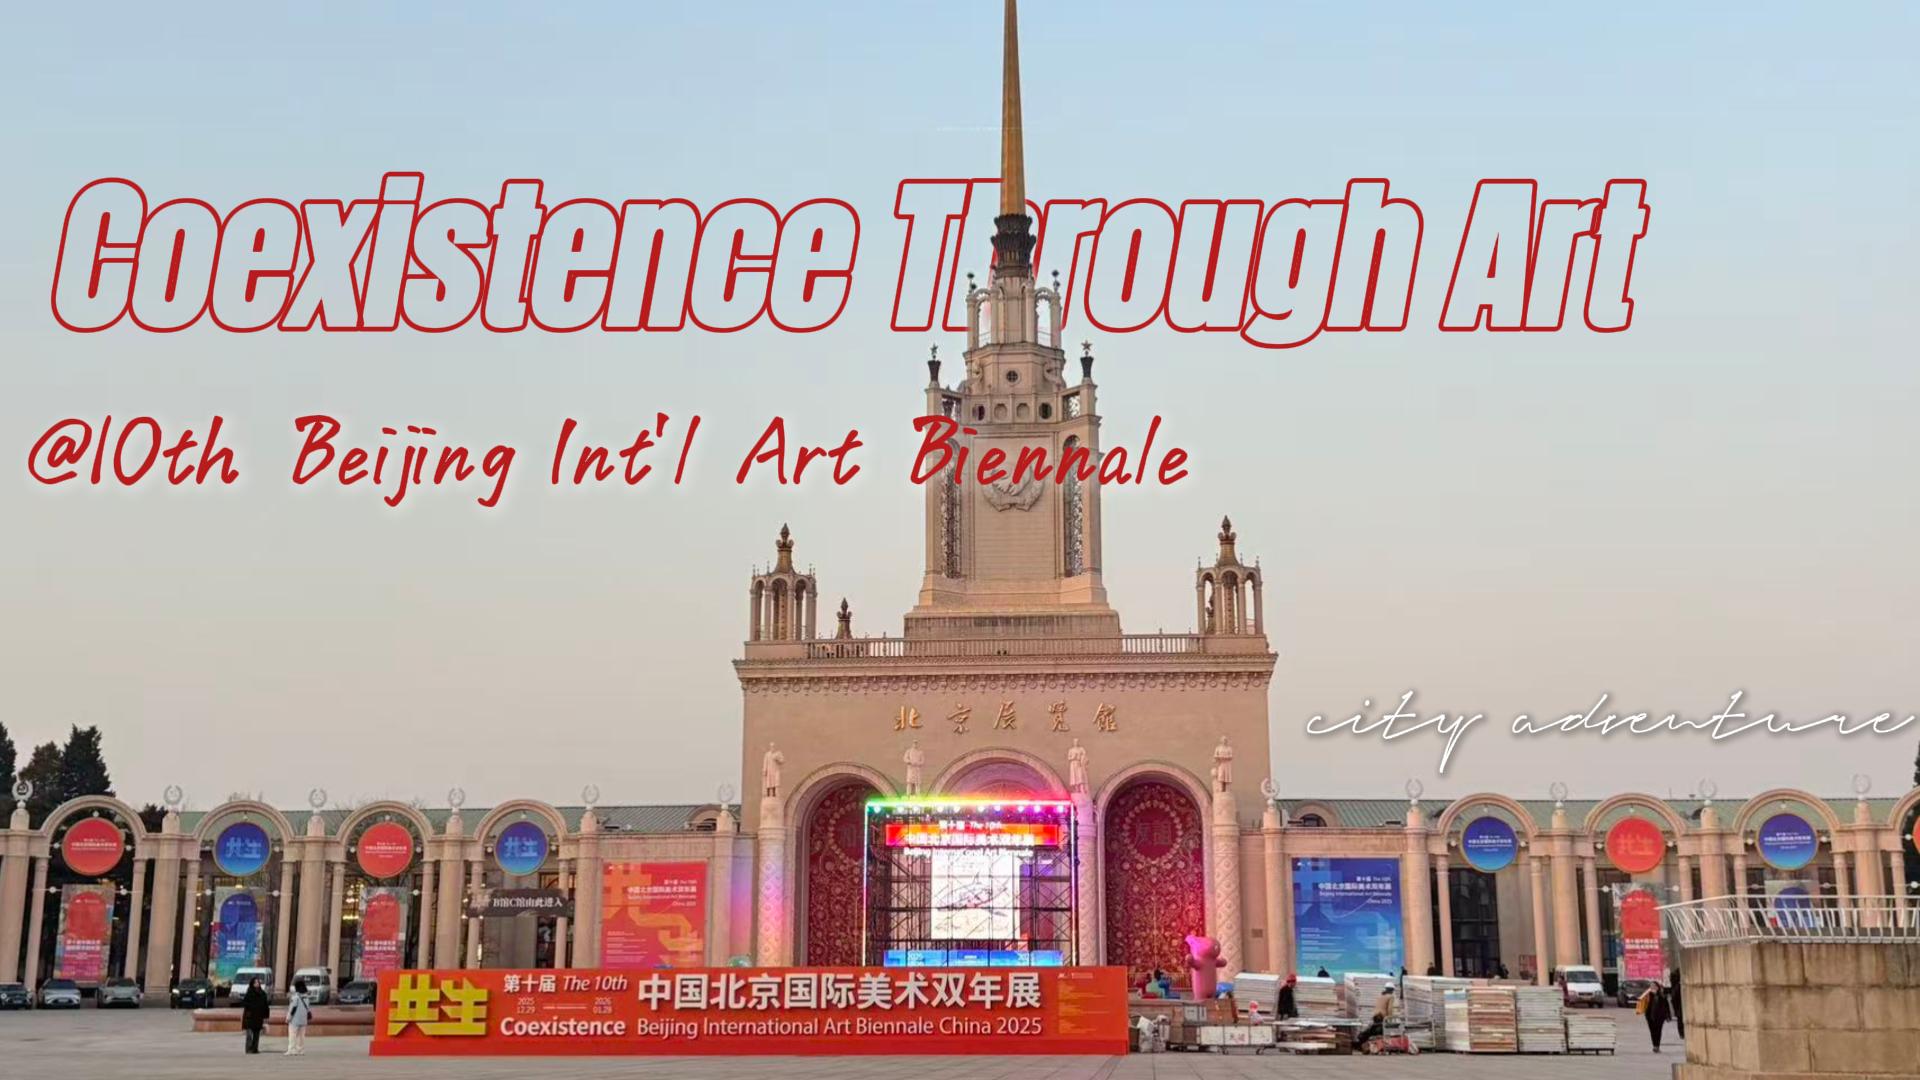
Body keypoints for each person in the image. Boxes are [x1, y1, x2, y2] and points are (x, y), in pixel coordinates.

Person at [239, 977, 269, 1054]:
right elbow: (244, 1003)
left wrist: (266, 1016)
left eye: (258, 982)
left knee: (257, 1033)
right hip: (250, 1016)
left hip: (258, 1016)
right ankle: (249, 1048)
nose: (257, 984)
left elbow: (266, 1005)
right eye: (255, 982)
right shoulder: (249, 993)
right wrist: (251, 1007)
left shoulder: (262, 993)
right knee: (249, 1033)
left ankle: (255, 1048)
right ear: (252, 984)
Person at [1639, 981, 1671, 1052]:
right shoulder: (1648, 995)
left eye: (1654, 986)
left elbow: (1666, 1006)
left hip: (1660, 1017)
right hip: (1650, 1016)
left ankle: (1657, 1046)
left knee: (1658, 1031)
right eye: (1651, 986)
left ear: (1657, 987)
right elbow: (1641, 1000)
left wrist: (1668, 1016)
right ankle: (1654, 1045)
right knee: (1652, 1031)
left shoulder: (1662, 995)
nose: (1652, 987)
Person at [284, 977, 312, 1056]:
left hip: (295, 1020)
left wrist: (288, 1018)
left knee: (292, 1035)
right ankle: (301, 1050)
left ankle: (292, 1049)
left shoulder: (295, 997)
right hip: (303, 1020)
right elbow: (308, 1009)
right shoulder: (306, 998)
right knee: (301, 1036)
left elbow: (292, 1008)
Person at [1670, 968, 1685, 1039]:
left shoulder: (1676, 986)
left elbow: (1673, 999)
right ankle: (1682, 1033)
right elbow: (1674, 999)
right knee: (1680, 1020)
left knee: (1680, 1020)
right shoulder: (1678, 986)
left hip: (1679, 1007)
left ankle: (1681, 1033)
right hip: (1680, 1007)